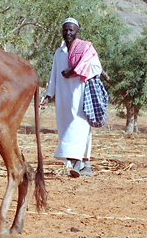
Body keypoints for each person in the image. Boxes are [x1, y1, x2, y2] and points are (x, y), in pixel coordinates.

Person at [39, 17, 103, 177]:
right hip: (63, 98)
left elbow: (96, 68)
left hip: (80, 95)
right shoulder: (59, 53)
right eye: (65, 30)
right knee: (66, 128)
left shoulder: (86, 48)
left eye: (71, 30)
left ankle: (76, 162)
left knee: (79, 127)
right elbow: (54, 75)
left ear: (77, 31)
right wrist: (48, 95)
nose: (68, 32)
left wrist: (74, 70)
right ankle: (85, 165)